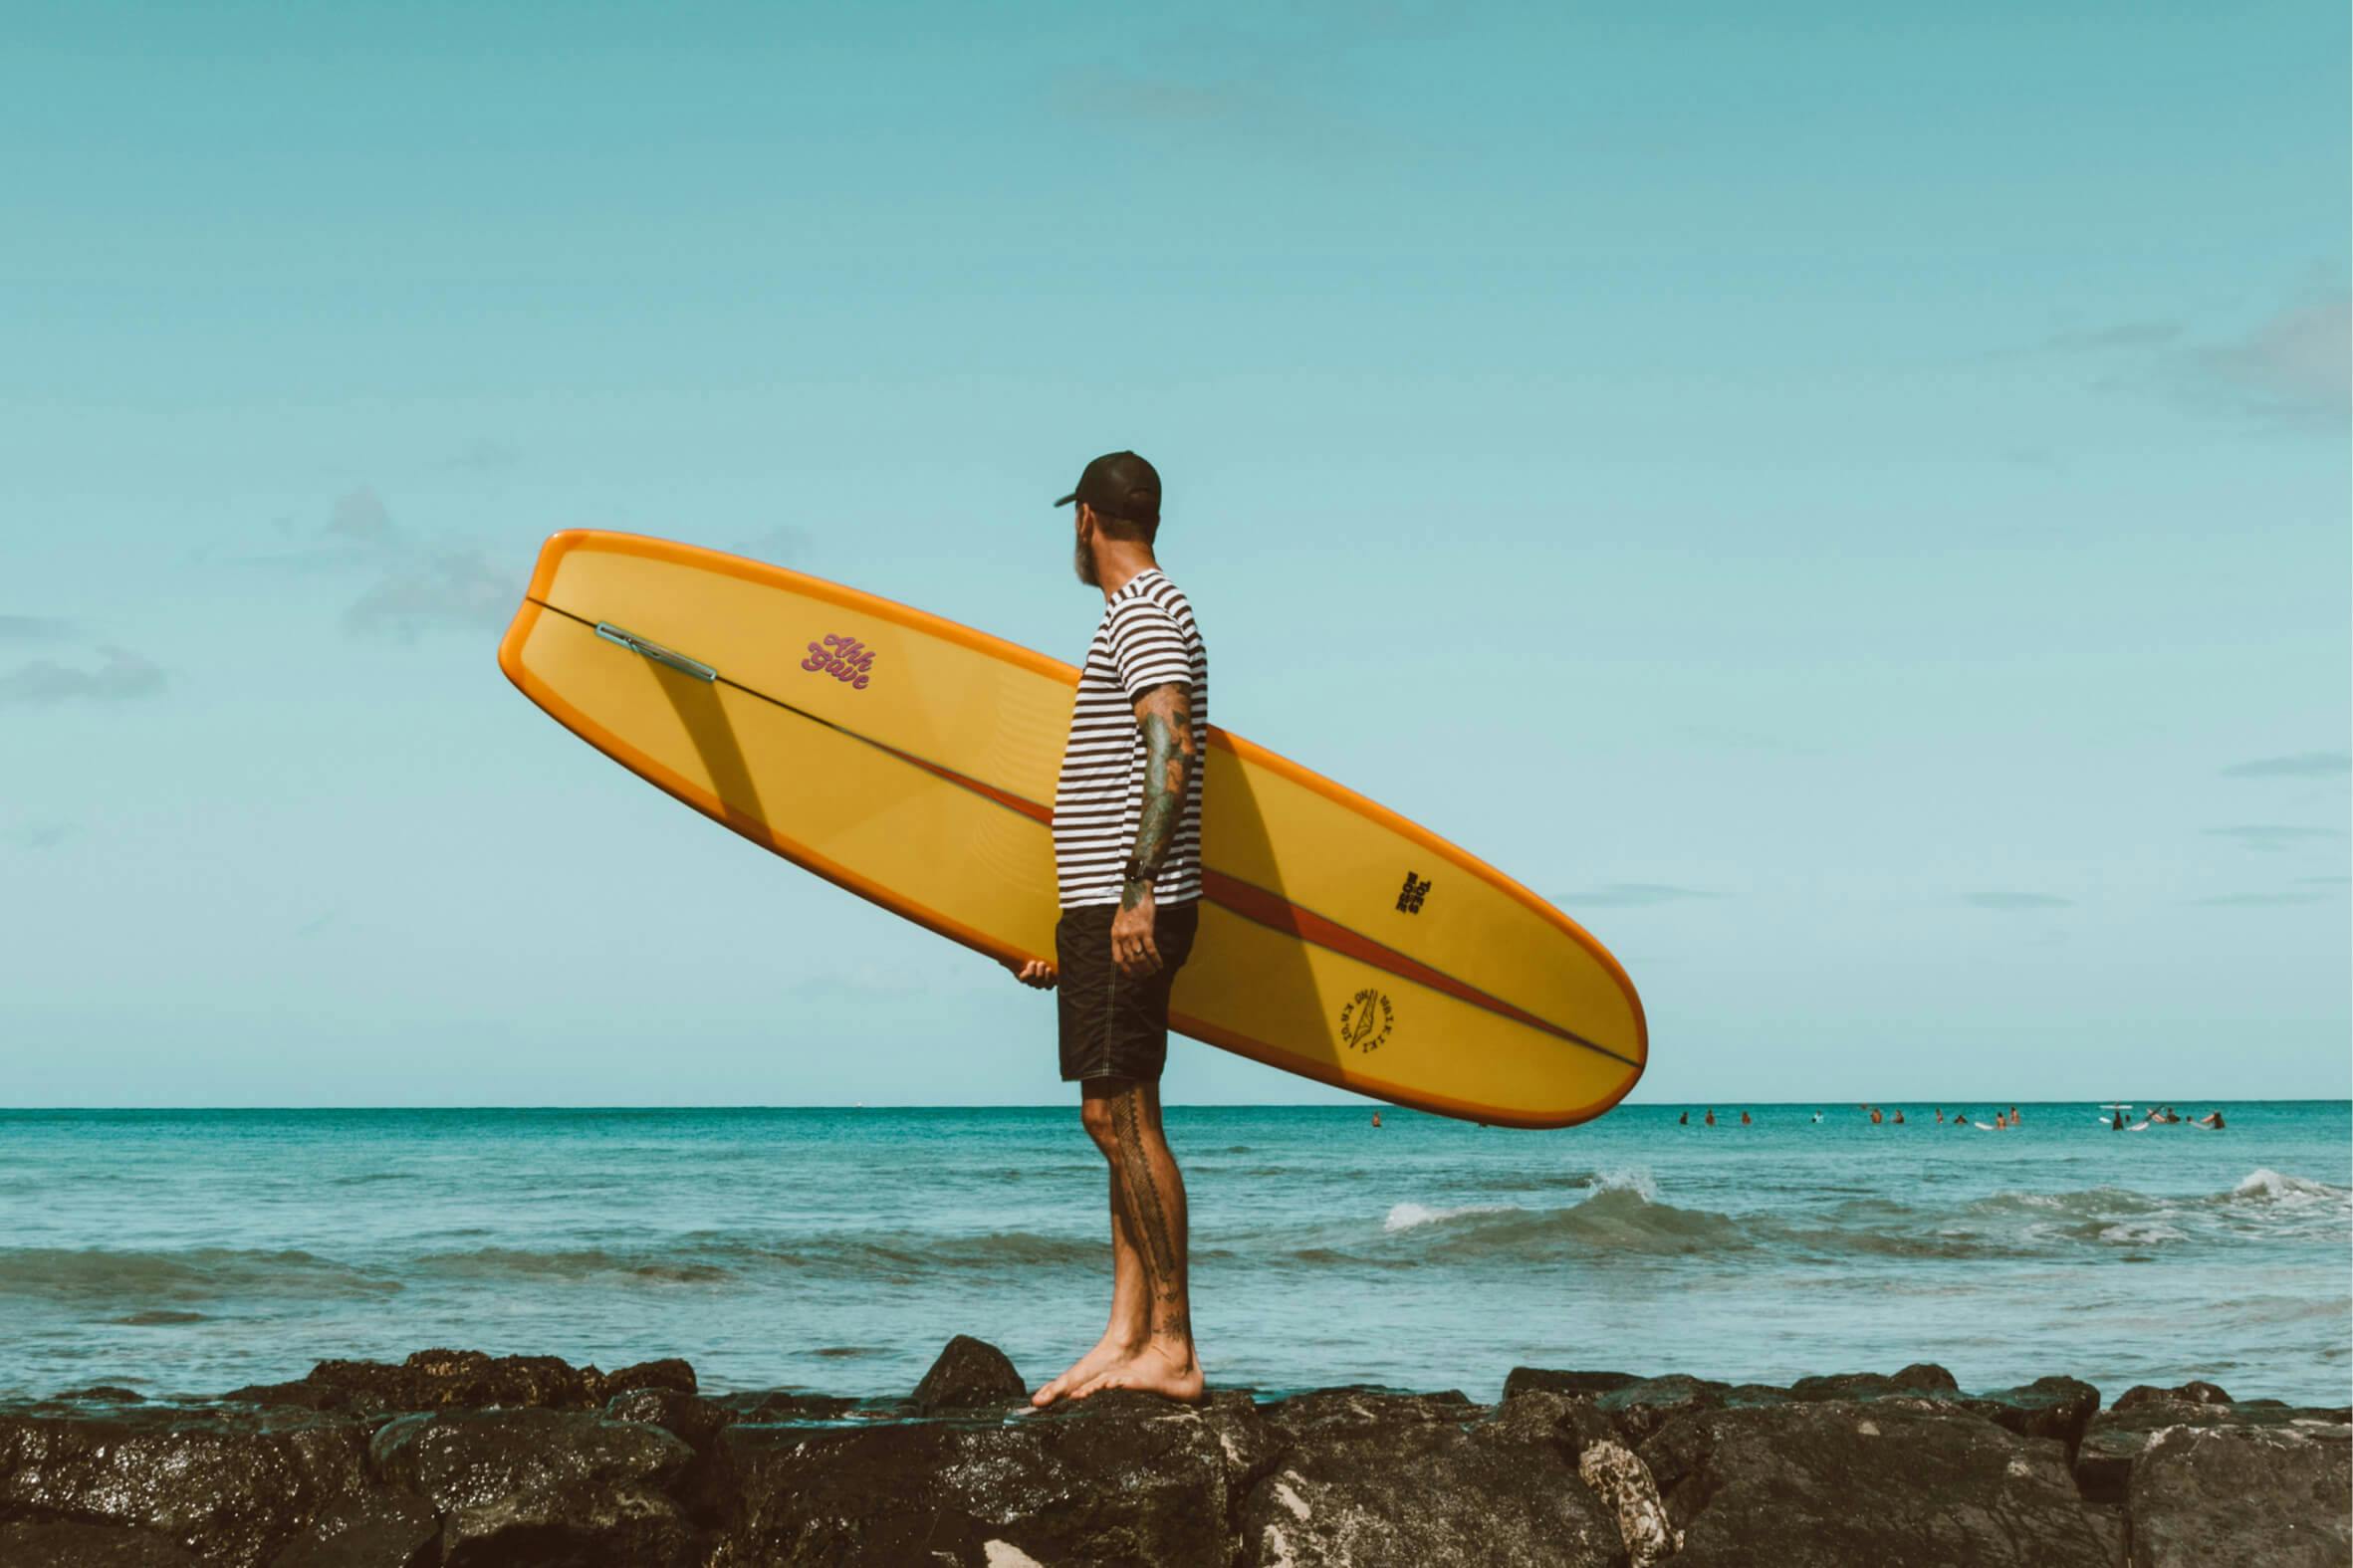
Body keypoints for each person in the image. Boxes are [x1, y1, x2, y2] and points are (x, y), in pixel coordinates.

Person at [1012, 452, 1211, 1407]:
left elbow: (1169, 741)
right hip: (1104, 909)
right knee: (1127, 1115)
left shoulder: (1143, 613)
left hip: (1128, 904)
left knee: (1114, 1119)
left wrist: (1133, 891)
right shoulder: (1146, 614)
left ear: (1086, 520)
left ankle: (1170, 1342)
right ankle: (1125, 1333)